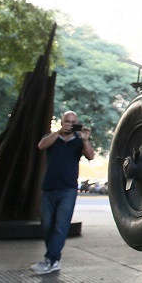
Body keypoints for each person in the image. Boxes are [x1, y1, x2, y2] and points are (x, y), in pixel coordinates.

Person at [31, 110, 94, 274]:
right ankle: (51, 259)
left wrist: (85, 140)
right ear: (61, 121)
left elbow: (90, 156)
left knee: (61, 225)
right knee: (47, 225)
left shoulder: (79, 141)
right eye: (67, 121)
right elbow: (41, 145)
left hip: (68, 189)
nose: (70, 125)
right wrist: (59, 132)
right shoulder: (52, 137)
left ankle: (52, 259)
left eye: (73, 122)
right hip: (48, 188)